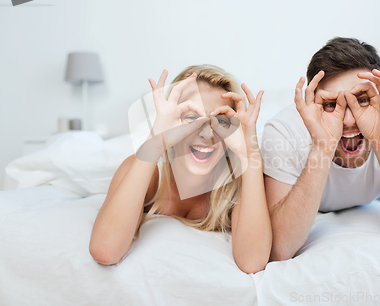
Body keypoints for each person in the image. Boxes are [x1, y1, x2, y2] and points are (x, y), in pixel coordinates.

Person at [262, 37, 380, 261]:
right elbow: (279, 249)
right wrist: (322, 147)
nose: (348, 120)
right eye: (331, 104)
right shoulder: (284, 130)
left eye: (362, 100)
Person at [89, 65, 272, 274]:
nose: (208, 134)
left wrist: (249, 156)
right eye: (192, 117)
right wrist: (156, 141)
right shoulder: (148, 169)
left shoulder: (237, 181)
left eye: (220, 121)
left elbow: (252, 263)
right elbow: (105, 251)